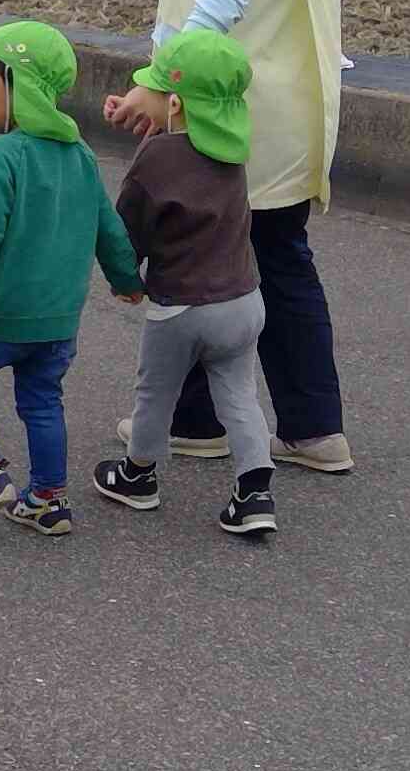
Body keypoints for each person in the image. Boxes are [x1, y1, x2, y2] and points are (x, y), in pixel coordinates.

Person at [102, 0, 354, 477]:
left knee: (198, 261)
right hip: (297, 89)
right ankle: (314, 427)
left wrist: (157, 77)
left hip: (233, 99)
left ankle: (195, 419)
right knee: (273, 256)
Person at [0, 22, 143, 537]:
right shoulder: (81, 156)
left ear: (18, 87)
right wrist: (126, 278)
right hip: (57, 321)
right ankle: (48, 500)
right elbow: (108, 228)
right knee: (43, 401)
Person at [91, 29, 278, 537]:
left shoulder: (157, 159)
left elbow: (128, 230)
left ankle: (138, 475)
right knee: (239, 395)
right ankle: (255, 491)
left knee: (155, 394)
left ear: (174, 103)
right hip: (244, 300)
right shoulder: (235, 150)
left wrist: (125, 280)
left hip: (182, 308)